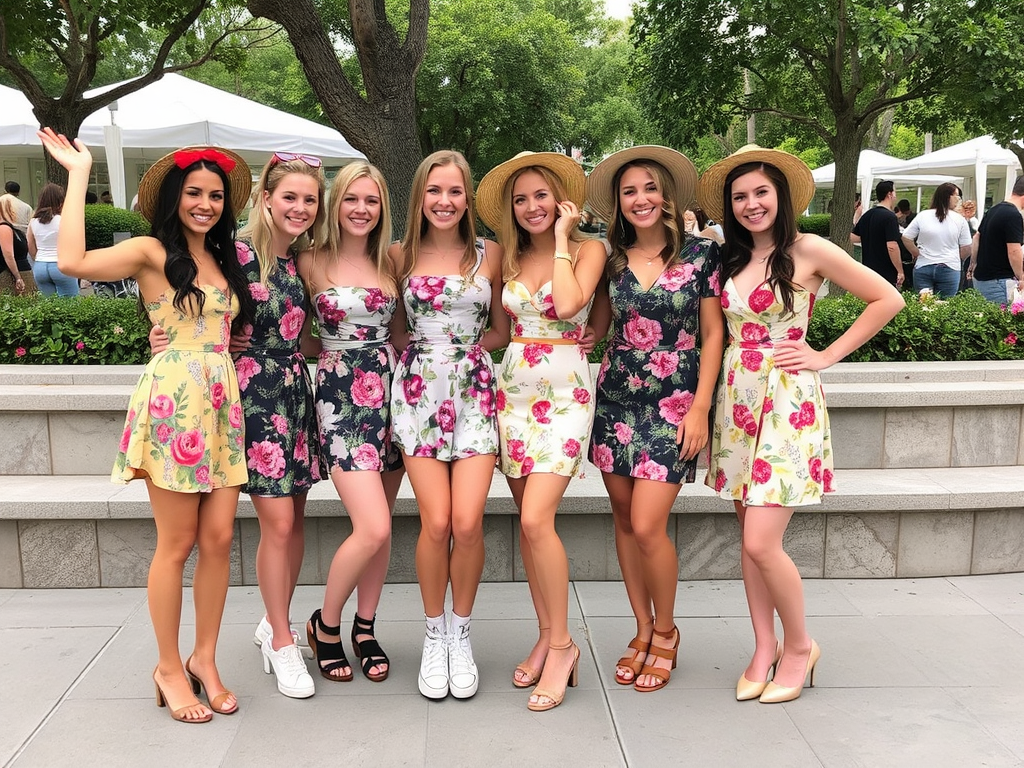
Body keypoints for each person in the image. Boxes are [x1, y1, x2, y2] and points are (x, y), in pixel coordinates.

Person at [39, 128, 256, 723]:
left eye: (215, 195)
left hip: (221, 401)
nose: (205, 204)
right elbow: (73, 261)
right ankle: (166, 665)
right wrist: (79, 174)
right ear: (173, 199)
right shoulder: (151, 252)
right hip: (174, 402)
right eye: (194, 193)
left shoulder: (226, 257)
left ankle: (204, 659)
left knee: (218, 542)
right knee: (178, 542)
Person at [697, 145, 904, 703]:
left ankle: (799, 646)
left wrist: (825, 355)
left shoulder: (808, 249)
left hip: (787, 400)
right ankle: (763, 647)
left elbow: (887, 298)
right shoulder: (727, 257)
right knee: (747, 537)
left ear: (781, 196)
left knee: (763, 541)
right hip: (737, 402)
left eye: (761, 192)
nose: (750, 204)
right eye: (739, 196)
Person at [153, 152, 327, 698]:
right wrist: (160, 336)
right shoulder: (236, 254)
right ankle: (281, 639)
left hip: (295, 392)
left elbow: (305, 337)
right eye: (289, 197)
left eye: (309, 200)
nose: (299, 208)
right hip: (248, 396)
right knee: (276, 523)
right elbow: (186, 306)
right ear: (266, 198)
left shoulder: (303, 259)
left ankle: (273, 619)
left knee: (294, 520)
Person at [586, 146, 724, 694]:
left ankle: (666, 631)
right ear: (619, 203)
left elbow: (714, 334)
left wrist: (700, 407)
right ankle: (641, 629)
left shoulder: (701, 255)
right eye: (629, 191)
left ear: (667, 194)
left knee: (647, 524)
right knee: (622, 519)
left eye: (649, 188)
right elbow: (598, 325)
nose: (640, 199)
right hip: (617, 397)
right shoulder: (610, 258)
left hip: (674, 401)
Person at [476, 152, 605, 710]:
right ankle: (545, 633)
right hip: (514, 391)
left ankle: (563, 645)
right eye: (521, 199)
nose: (532, 207)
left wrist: (560, 239)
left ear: (561, 200)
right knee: (530, 530)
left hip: (567, 392)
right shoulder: (505, 258)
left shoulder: (587, 249)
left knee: (536, 518)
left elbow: (574, 302)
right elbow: (501, 333)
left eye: (541, 196)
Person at [389, 150, 509, 700]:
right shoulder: (398, 255)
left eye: (455, 191)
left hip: (475, 392)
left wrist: (461, 354)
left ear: (468, 197)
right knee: (435, 523)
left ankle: (461, 630)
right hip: (417, 394)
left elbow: (503, 329)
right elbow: (388, 329)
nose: (444, 201)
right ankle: (433, 632)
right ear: (420, 196)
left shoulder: (491, 253)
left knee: (467, 522)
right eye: (434, 190)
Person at [301, 161, 405, 686]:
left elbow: (409, 330)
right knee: (373, 525)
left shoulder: (394, 260)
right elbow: (291, 328)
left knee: (381, 525)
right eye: (351, 200)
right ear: (334, 204)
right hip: (341, 399)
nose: (361, 210)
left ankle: (365, 627)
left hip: (393, 392)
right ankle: (327, 624)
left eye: (371, 200)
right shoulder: (309, 261)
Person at [901, 183, 971, 298]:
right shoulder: (959, 220)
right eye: (957, 196)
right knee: (946, 307)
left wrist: (916, 253)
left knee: (923, 305)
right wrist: (956, 257)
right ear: (948, 196)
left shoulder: (923, 216)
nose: (958, 200)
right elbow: (967, 247)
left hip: (923, 265)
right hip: (949, 267)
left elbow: (906, 237)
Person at [969, 177, 1024, 304]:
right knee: (1004, 320)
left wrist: (973, 264)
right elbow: (1014, 251)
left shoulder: (994, 209)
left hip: (981, 278)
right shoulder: (1013, 215)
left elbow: (977, 237)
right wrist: (1021, 277)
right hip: (1000, 281)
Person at [28, 183, 79, 297]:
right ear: (60, 201)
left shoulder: (33, 221)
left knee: (49, 306)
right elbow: (73, 245)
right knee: (70, 306)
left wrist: (39, 258)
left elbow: (31, 246)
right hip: (61, 265)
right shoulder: (64, 220)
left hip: (40, 266)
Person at [852, 180, 903, 289]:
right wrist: (900, 270)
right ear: (889, 194)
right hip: (886, 271)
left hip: (868, 269)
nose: (896, 196)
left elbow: (854, 237)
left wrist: (856, 219)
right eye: (895, 192)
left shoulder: (867, 215)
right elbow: (892, 246)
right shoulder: (890, 217)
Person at [0, 195, 37, 295]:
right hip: (13, 276)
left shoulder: (10, 228)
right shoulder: (4, 228)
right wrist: (18, 277)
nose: (14, 211)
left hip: (22, 272)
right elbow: (9, 255)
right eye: (10, 208)